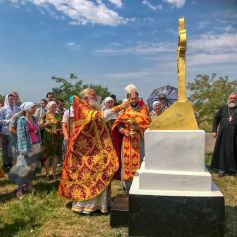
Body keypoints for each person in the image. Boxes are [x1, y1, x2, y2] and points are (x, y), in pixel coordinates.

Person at [59, 88, 128, 214]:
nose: (96, 97)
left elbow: (102, 120)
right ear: (85, 97)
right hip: (84, 152)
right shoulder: (81, 106)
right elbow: (98, 117)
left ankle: (102, 204)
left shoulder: (92, 107)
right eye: (93, 95)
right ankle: (86, 206)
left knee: (104, 170)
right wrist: (119, 107)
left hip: (95, 149)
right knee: (87, 175)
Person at [112, 84, 151, 193]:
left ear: (138, 98)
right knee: (126, 164)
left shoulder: (144, 109)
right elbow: (118, 125)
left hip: (139, 141)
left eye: (135, 98)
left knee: (140, 162)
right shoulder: (124, 110)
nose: (133, 100)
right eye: (131, 98)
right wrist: (124, 131)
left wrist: (138, 127)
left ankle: (139, 188)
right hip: (127, 141)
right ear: (128, 98)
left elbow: (149, 124)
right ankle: (127, 188)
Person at [15, 102, 41, 199]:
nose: (34, 109)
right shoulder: (21, 121)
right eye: (32, 107)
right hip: (27, 147)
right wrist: (24, 150)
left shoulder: (34, 118)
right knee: (24, 168)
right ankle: (19, 189)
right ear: (26, 109)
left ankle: (28, 184)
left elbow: (37, 133)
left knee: (33, 167)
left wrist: (39, 144)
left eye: (34, 107)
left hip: (36, 145)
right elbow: (21, 136)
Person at [211, 92, 237, 177]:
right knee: (222, 151)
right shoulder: (223, 108)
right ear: (228, 99)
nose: (232, 99)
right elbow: (216, 118)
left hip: (235, 135)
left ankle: (234, 169)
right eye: (231, 98)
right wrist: (214, 130)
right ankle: (222, 169)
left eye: (234, 98)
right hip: (223, 134)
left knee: (234, 151)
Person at [40, 101, 63, 181]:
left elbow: (63, 127)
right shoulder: (44, 116)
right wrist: (46, 124)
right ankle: (47, 173)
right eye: (52, 107)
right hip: (47, 138)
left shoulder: (59, 116)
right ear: (48, 107)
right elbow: (40, 127)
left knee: (55, 155)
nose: (53, 108)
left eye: (55, 107)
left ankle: (54, 172)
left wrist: (57, 130)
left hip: (56, 138)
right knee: (46, 155)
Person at [0, 93, 20, 171]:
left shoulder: (17, 108)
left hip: (14, 131)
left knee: (13, 148)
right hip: (5, 131)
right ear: (7, 100)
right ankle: (6, 164)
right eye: (10, 99)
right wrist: (9, 120)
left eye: (12, 99)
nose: (11, 100)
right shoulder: (3, 109)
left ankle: (13, 163)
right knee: (5, 148)